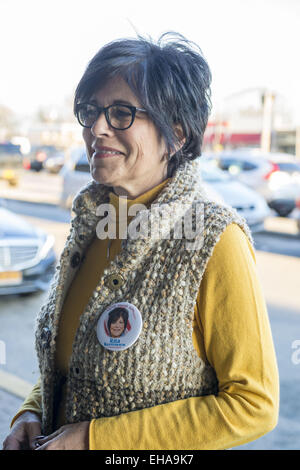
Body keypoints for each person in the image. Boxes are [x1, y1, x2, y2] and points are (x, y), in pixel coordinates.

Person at [2, 33, 279, 451]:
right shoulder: (92, 226)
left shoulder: (215, 240)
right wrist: (31, 412)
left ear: (178, 134)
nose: (96, 128)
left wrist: (96, 440)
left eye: (120, 114)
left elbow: (253, 403)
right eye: (90, 111)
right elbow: (70, 366)